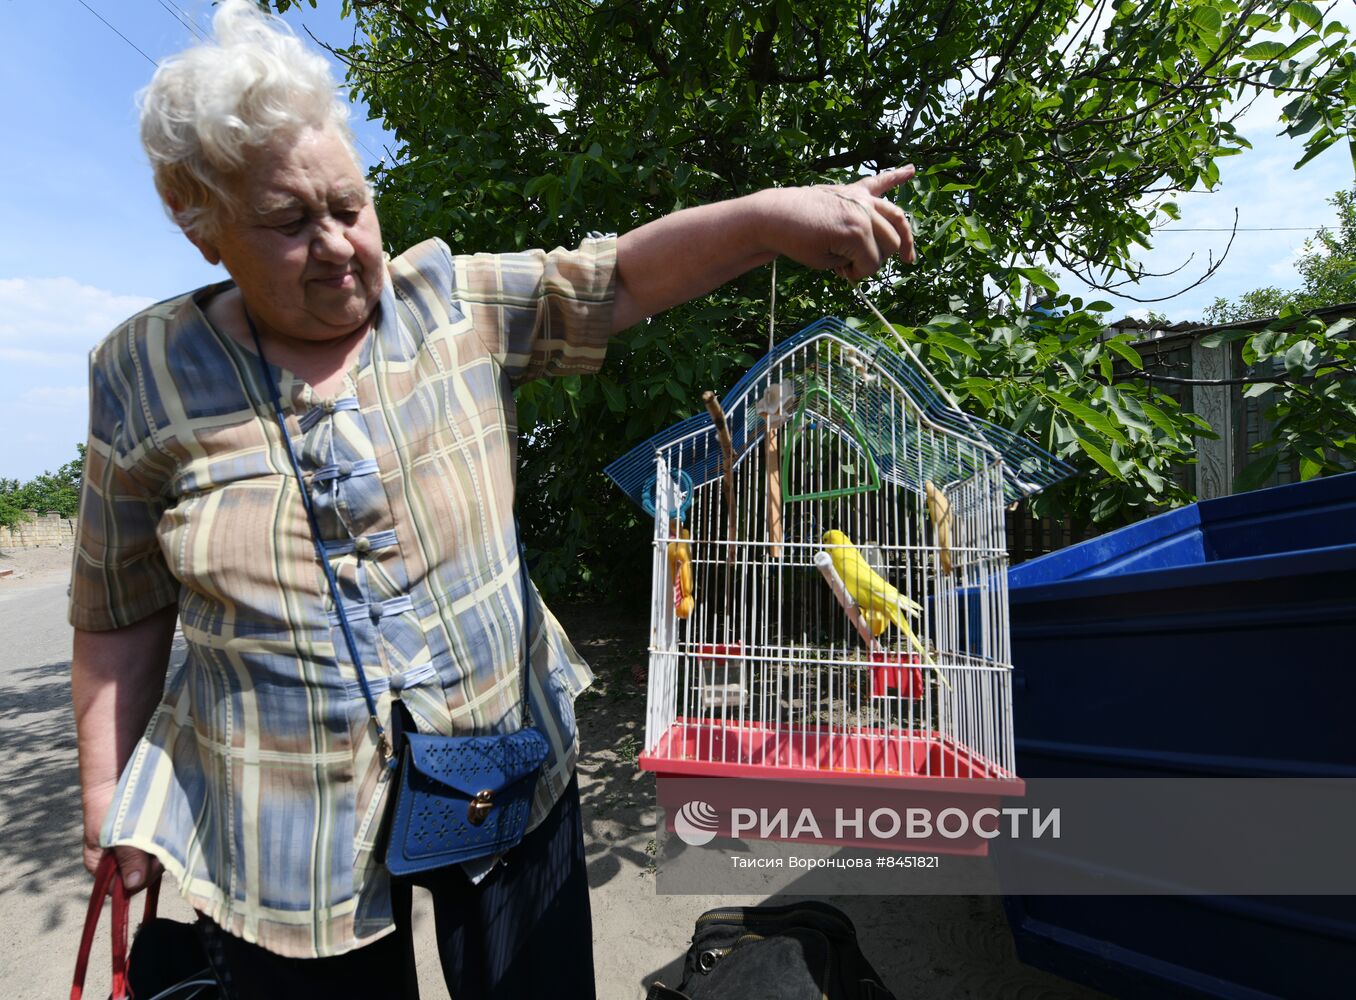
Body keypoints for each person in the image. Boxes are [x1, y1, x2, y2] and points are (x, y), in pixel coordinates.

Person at [68, 2, 915, 997]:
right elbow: (119, 607)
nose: (342, 245)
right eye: (291, 224)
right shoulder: (145, 374)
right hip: (281, 834)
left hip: (498, 765)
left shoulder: (451, 304)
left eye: (351, 205)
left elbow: (620, 278)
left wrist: (777, 215)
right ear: (199, 223)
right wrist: (104, 802)